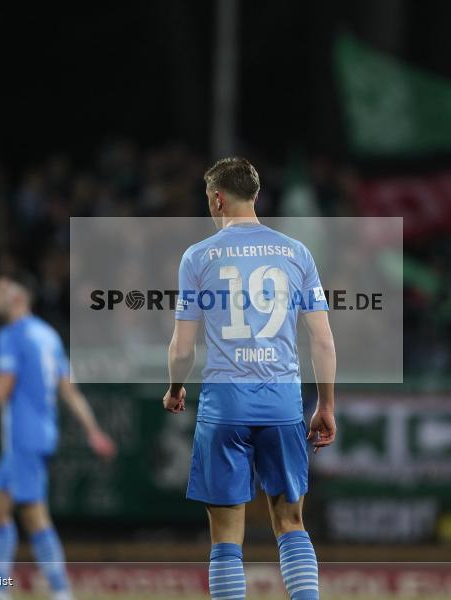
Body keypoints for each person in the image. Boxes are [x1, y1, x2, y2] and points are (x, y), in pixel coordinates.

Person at [163, 157, 337, 600]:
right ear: (255, 196)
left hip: (224, 404)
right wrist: (326, 405)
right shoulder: (297, 253)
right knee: (291, 523)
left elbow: (183, 348)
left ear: (217, 198)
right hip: (281, 402)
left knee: (226, 537)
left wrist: (176, 386)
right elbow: (322, 341)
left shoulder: (197, 257)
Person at [0, 272, 116, 600]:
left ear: (19, 298)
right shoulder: (48, 335)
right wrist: (92, 430)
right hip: (39, 435)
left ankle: (59, 591)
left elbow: (1, 390)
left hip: (24, 437)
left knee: (34, 515)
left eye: (0, 290)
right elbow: (71, 392)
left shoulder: (11, 335)